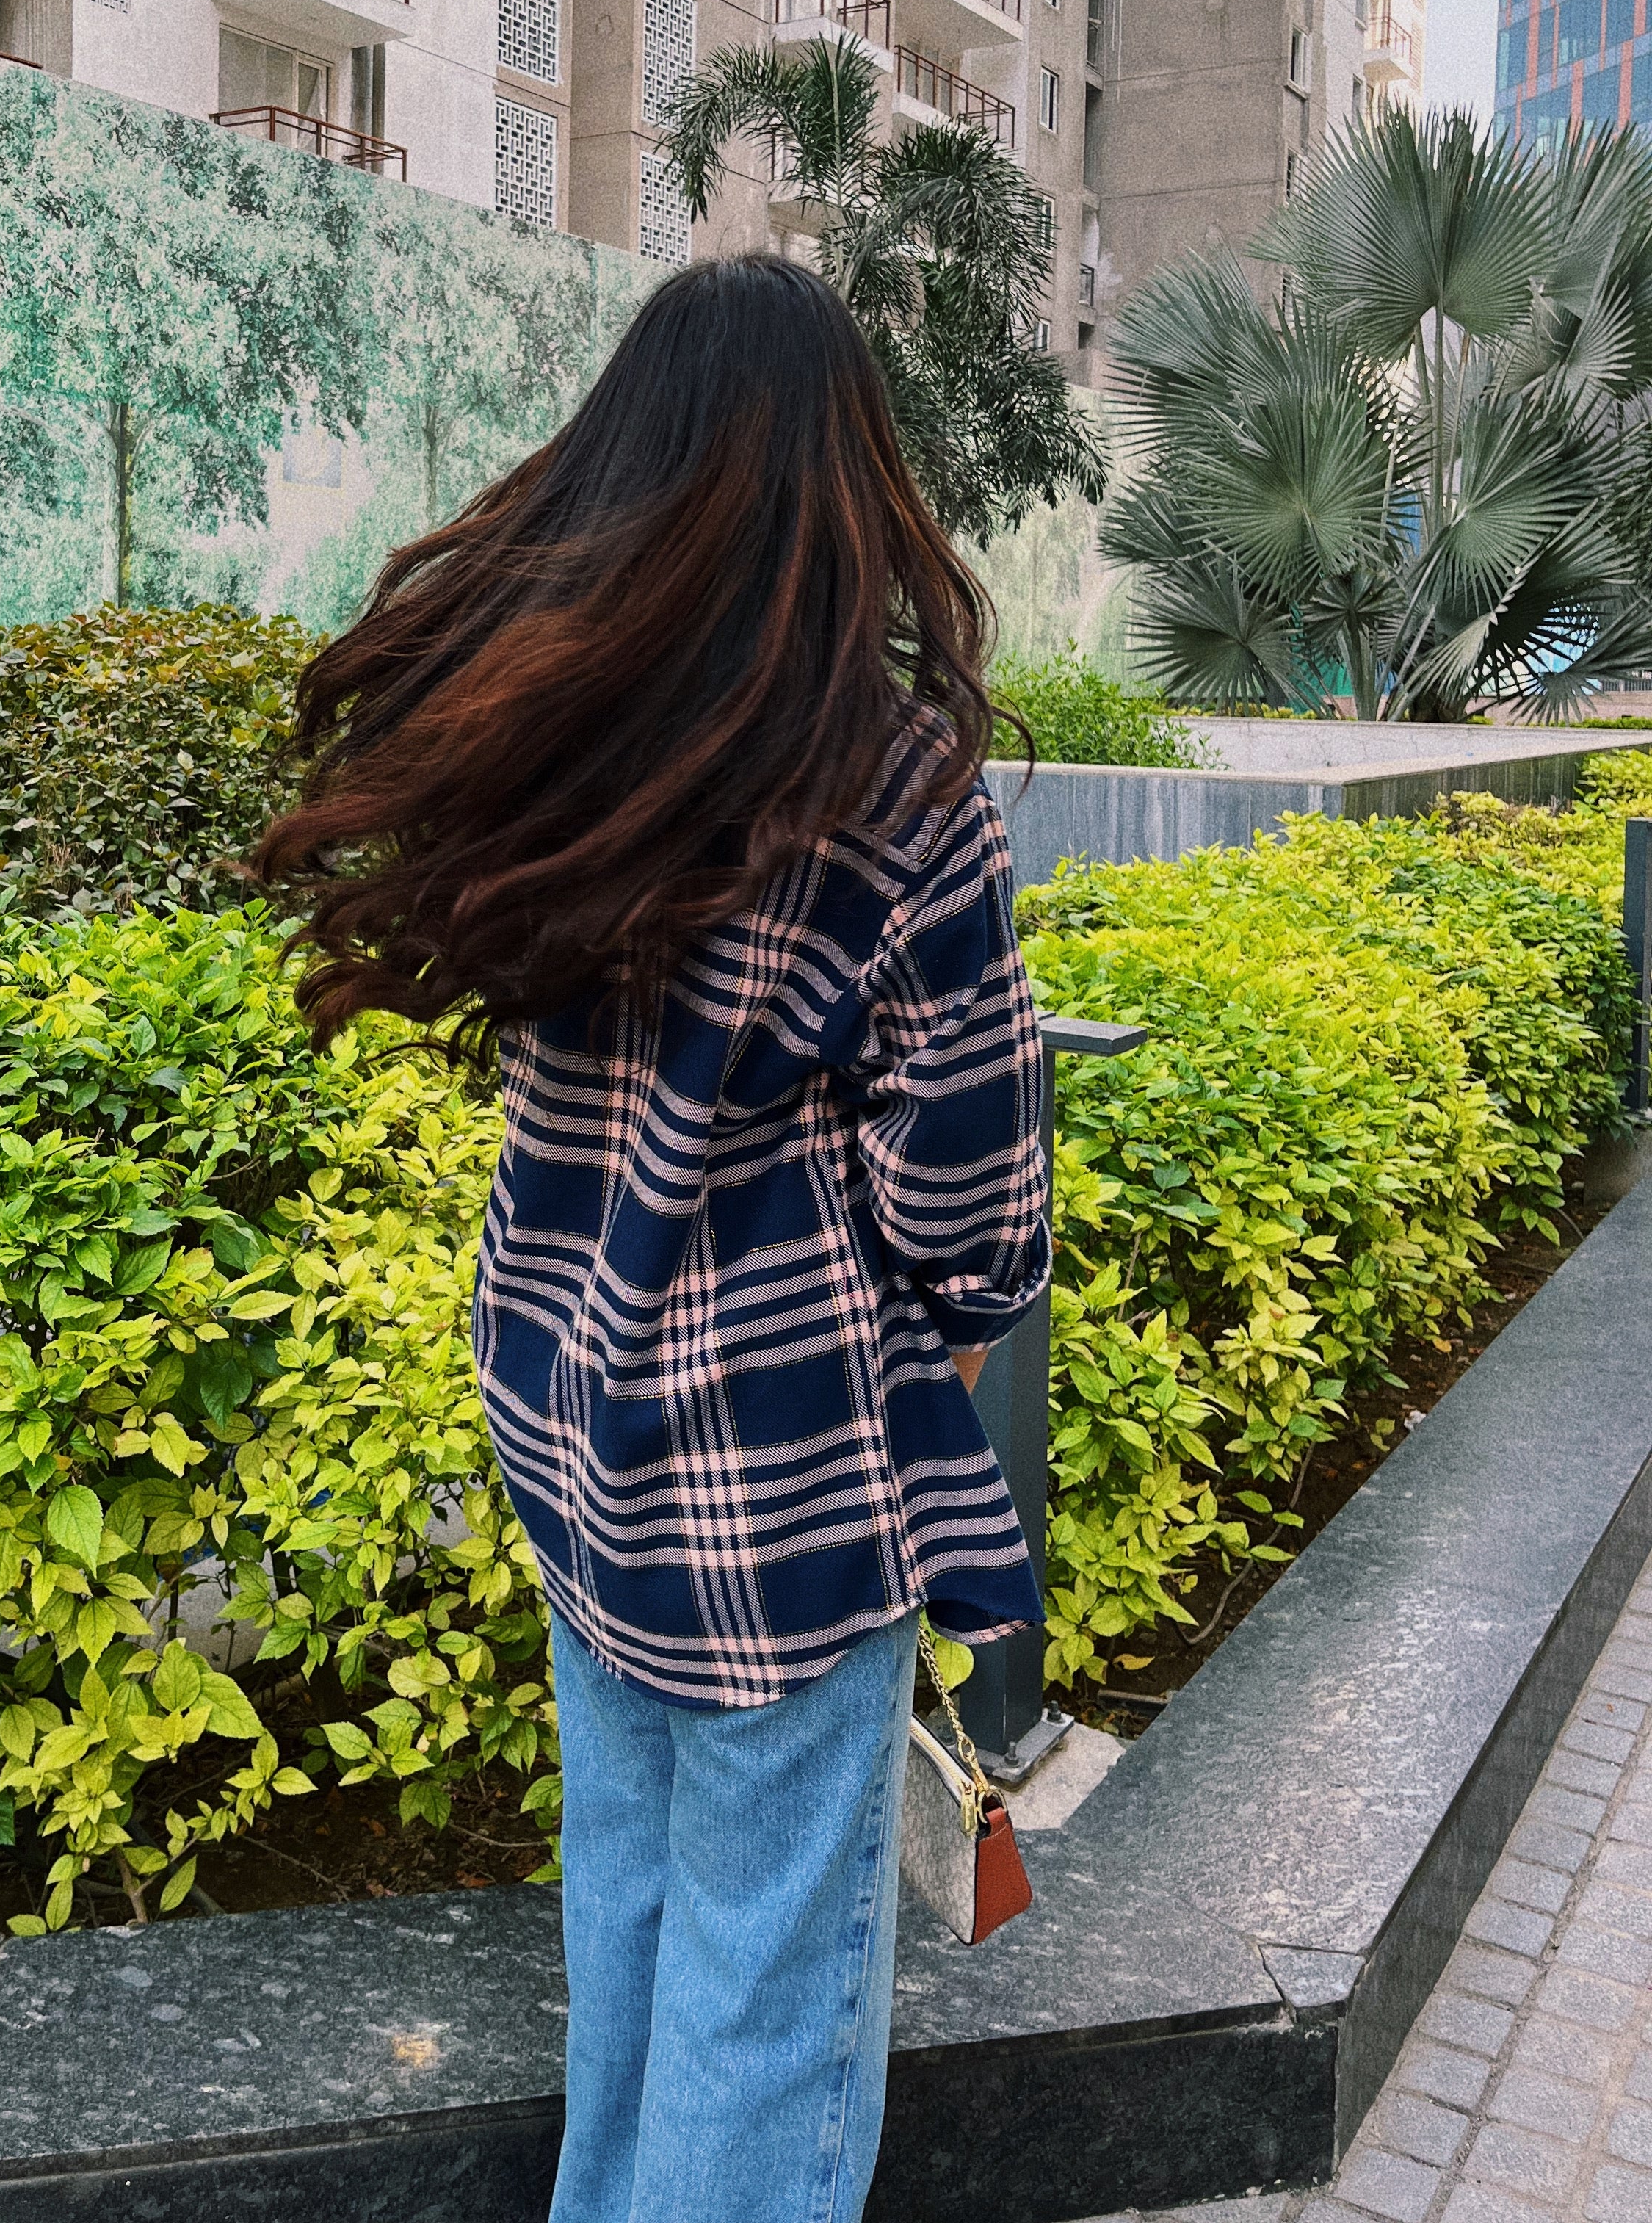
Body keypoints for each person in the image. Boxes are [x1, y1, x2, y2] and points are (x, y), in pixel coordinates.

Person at [257, 253, 1048, 2223]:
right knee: (764, 2003)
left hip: (567, 1418)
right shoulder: (889, 782)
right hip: (781, 1473)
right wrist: (964, 1316)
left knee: (630, 1919)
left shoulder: (569, 733)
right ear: (846, 477)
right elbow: (967, 1178)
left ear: (636, 465)